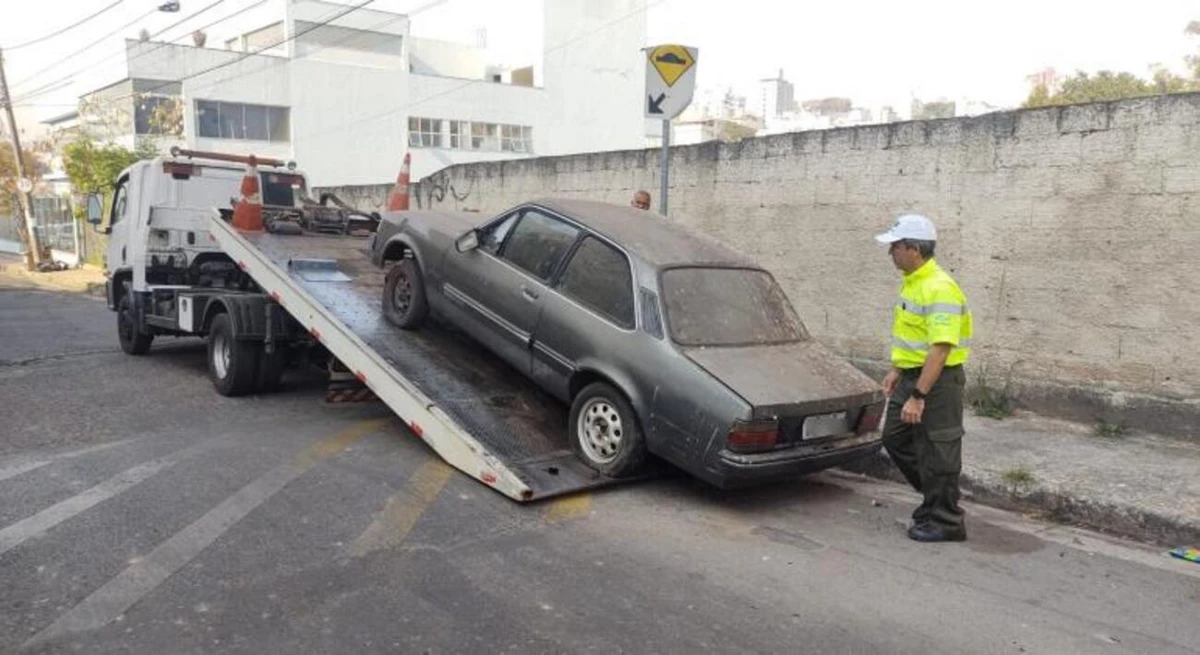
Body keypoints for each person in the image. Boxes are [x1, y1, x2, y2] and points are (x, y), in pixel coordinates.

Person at [874, 214, 973, 543]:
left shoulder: (939, 287)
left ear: (912, 248)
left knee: (939, 450)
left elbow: (941, 349)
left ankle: (946, 520)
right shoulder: (914, 282)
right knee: (895, 438)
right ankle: (934, 499)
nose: (891, 254)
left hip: (937, 382)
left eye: (895, 247)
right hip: (912, 377)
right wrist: (897, 370)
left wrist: (919, 395)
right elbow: (912, 337)